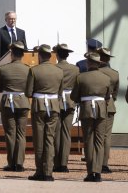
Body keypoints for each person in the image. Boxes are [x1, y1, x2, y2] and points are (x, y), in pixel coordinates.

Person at [25, 44, 63, 182]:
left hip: (39, 106)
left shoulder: (34, 70)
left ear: (40, 55)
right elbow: (60, 92)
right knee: (49, 139)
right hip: (53, 106)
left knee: (39, 140)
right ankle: (48, 172)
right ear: (50, 56)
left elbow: (28, 92)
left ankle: (40, 171)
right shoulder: (59, 71)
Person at [71, 52, 111, 182]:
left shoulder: (81, 77)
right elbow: (107, 96)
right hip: (101, 109)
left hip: (87, 108)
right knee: (99, 141)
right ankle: (98, 172)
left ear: (88, 63)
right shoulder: (106, 78)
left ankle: (90, 172)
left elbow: (74, 96)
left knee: (88, 141)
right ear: (98, 64)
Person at [0, 40, 30, 172]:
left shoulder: (3, 69)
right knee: (21, 134)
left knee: (10, 133)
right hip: (22, 101)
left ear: (11, 54)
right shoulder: (28, 69)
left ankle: (11, 163)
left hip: (8, 102)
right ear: (22, 54)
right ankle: (20, 163)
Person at [53, 43, 80, 173]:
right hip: (70, 101)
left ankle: (57, 163)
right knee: (66, 133)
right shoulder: (75, 69)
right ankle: (64, 163)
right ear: (67, 55)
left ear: (57, 55)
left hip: (57, 101)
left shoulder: (54, 68)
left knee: (56, 132)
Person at [97, 47, 119, 174]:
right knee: (107, 135)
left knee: (96, 135)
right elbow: (115, 94)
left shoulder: (95, 72)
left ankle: (97, 163)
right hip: (109, 104)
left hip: (97, 104)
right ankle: (104, 164)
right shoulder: (115, 73)